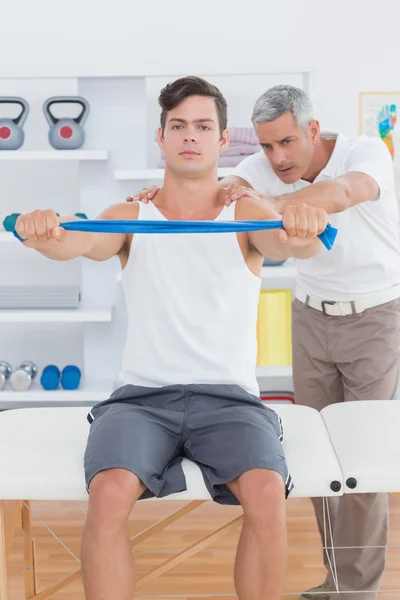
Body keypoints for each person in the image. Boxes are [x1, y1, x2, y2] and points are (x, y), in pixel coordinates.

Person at [15, 77, 329, 600]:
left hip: (230, 403)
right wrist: (44, 229)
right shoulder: (130, 216)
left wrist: (304, 224)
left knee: (268, 493)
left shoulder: (245, 213)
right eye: (178, 126)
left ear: (223, 140)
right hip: (142, 402)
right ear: (159, 137)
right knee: (110, 493)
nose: (190, 136)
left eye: (203, 126)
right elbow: (72, 243)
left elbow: (294, 244)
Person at [129, 83, 400, 600]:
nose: (276, 158)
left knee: (358, 458)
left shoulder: (363, 151)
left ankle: (358, 590)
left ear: (313, 130)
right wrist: (156, 199)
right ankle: (335, 577)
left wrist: (275, 203)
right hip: (311, 316)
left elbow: (341, 193)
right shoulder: (261, 167)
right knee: (319, 458)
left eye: (287, 144)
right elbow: (216, 185)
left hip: (375, 318)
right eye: (267, 146)